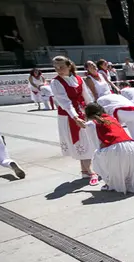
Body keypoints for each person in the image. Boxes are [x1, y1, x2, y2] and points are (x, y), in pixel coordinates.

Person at [84, 103, 134, 196]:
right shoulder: (112, 119)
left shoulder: (92, 123)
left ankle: (110, 184)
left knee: (97, 158)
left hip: (116, 149)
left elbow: (97, 144)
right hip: (131, 146)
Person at [50, 55, 99, 185]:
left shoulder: (78, 79)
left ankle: (84, 171)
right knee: (83, 141)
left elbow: (86, 96)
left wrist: (94, 111)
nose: (59, 70)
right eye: (56, 68)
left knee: (87, 141)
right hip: (68, 116)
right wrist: (75, 117)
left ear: (69, 66)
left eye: (62, 67)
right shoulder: (56, 82)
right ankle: (90, 171)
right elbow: (64, 102)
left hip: (81, 112)